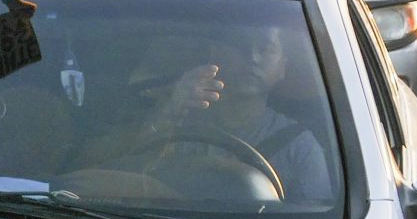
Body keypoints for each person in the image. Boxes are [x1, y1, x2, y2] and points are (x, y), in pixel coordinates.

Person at [127, 28, 332, 201]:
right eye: (240, 45)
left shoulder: (300, 146)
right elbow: (122, 174)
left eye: (266, 48)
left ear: (282, 68)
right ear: (215, 56)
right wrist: (168, 110)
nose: (252, 57)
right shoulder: (175, 123)